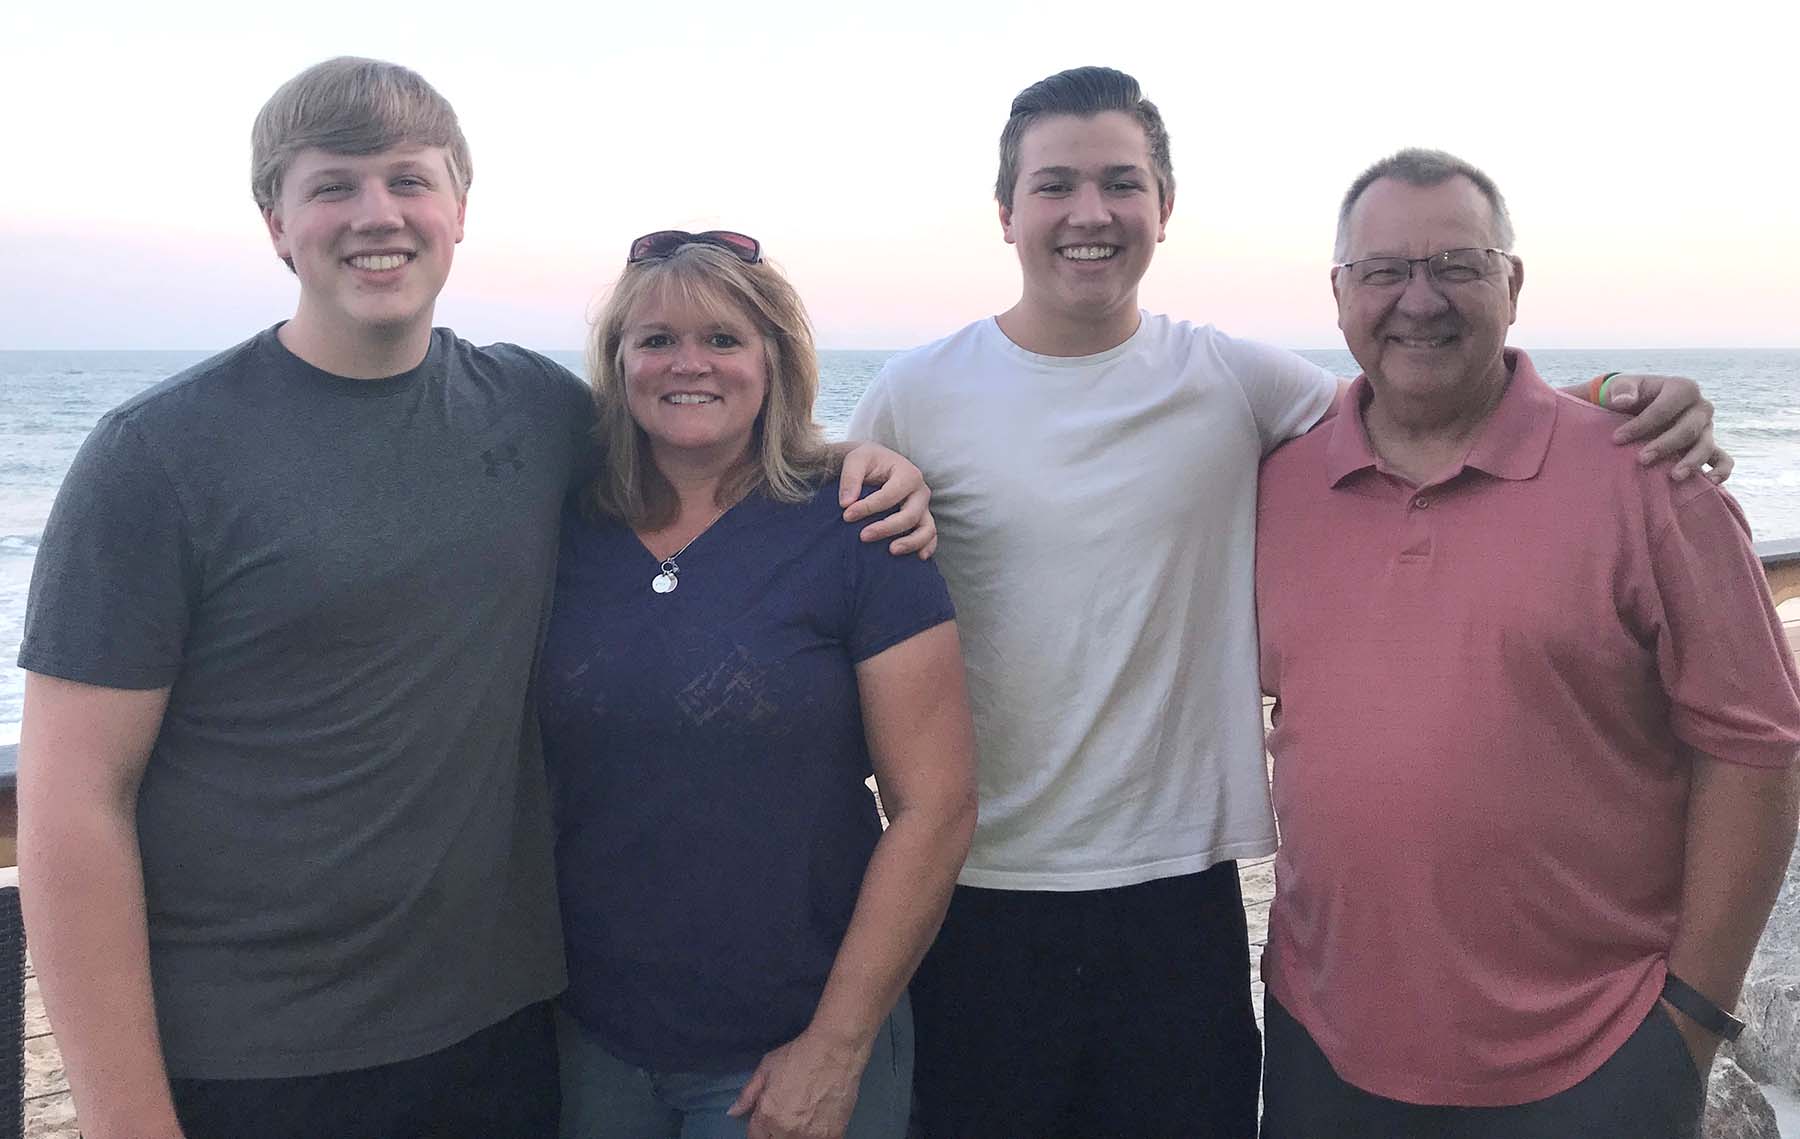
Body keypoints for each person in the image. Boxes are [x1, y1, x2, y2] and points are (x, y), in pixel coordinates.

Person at [15, 62, 931, 1139]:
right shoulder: (156, 457)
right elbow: (72, 803)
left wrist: (860, 464)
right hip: (256, 1055)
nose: (377, 215)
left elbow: (702, 429)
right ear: (275, 221)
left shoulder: (535, 414)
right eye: (333, 186)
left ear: (457, 212)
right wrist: (126, 1119)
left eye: (409, 180)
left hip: (507, 1035)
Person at [847, 66, 1734, 1138]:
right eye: (1055, 186)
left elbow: (1417, 399)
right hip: (974, 884)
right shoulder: (915, 389)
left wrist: (1602, 399)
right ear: (1006, 213)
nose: (1091, 213)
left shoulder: (1229, 379)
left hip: (1178, 890)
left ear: (1164, 209)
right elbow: (834, 553)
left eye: (1122, 183)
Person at [1254, 148, 1800, 1138]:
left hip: (1591, 1060)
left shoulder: (1651, 476)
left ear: (1512, 283)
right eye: (1384, 271)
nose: (1418, 300)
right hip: (1320, 1043)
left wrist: (1693, 1017)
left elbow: (1757, 743)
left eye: (1457, 265)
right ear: (1338, 294)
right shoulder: (1273, 482)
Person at [539, 230, 978, 1139]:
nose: (687, 363)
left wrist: (838, 1045)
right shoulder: (559, 525)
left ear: (776, 360)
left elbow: (936, 806)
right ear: (617, 364)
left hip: (789, 1047)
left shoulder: (859, 529)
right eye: (655, 339)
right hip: (588, 1043)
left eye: (724, 339)